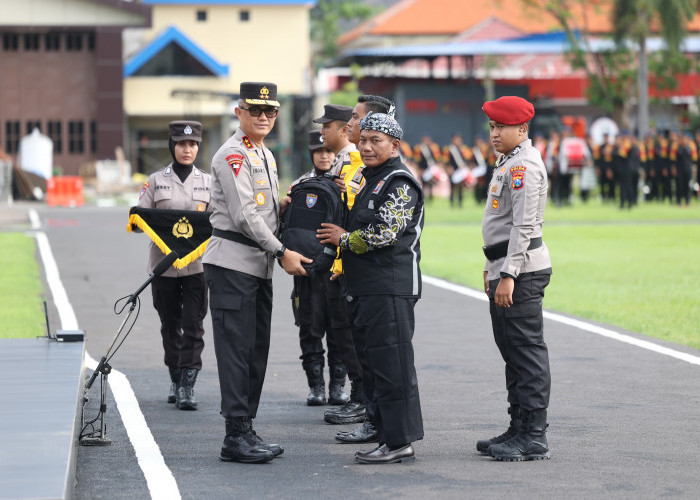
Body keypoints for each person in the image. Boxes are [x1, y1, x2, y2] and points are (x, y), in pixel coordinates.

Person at [202, 81, 310, 464]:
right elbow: (245, 215)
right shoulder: (232, 155)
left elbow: (261, 210)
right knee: (236, 351)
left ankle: (246, 428)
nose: (264, 117)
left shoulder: (263, 153)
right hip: (233, 264)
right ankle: (234, 435)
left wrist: (282, 208)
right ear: (239, 113)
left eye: (271, 112)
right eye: (256, 110)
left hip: (256, 267)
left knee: (254, 351)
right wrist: (282, 251)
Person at [318, 111, 424, 464]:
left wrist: (344, 240)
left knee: (391, 365)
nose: (366, 146)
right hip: (364, 286)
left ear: (395, 145)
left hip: (389, 287)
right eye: (362, 139)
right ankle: (383, 433)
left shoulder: (399, 181)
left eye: (375, 141)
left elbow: (385, 233)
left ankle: (399, 441)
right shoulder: (367, 177)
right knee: (372, 364)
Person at [478, 96, 553, 462]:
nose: (494, 133)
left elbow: (525, 226)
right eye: (492, 126)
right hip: (505, 267)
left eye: (501, 127)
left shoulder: (523, 166)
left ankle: (534, 435)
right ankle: (518, 426)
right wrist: (493, 268)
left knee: (526, 351)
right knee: (511, 350)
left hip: (521, 271)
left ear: (521, 129)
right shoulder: (508, 161)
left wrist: (507, 273)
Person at [324, 94, 395, 445]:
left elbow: (375, 230)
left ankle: (377, 419)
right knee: (354, 342)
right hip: (351, 267)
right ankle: (368, 410)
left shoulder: (387, 174)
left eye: (357, 118)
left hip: (376, 275)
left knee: (373, 351)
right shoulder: (358, 168)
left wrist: (343, 251)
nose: (351, 124)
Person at [135, 120, 211, 411]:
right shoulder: (155, 181)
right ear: (173, 146)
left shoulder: (207, 182)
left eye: (192, 144)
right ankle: (175, 375)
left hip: (197, 267)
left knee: (194, 325)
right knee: (170, 325)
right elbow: (141, 219)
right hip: (163, 267)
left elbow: (217, 220)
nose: (187, 149)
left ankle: (187, 385)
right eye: (182, 143)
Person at [286, 130, 353, 407]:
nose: (324, 156)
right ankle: (315, 387)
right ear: (311, 154)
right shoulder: (299, 185)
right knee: (309, 327)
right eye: (318, 151)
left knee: (340, 329)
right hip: (307, 268)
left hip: (336, 268)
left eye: (328, 151)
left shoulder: (346, 182)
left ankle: (338, 386)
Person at [312, 104, 356, 176]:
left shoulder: (350, 161)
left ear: (344, 130)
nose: (321, 132)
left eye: (326, 127)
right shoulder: (340, 159)